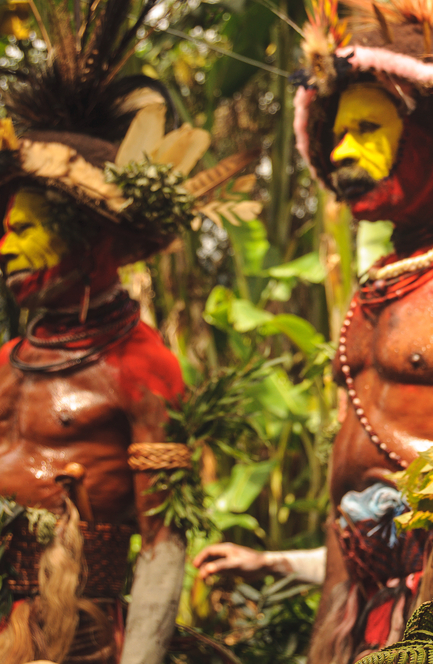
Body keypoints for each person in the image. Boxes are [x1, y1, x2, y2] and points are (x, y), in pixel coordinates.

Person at [0, 1, 241, 661]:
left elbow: (164, 542)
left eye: (22, 229)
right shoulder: (6, 360)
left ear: (89, 235)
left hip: (81, 636)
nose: (3, 246)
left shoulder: (143, 369)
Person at [287, 2, 433, 661]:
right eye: (335, 133)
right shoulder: (377, 284)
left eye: (364, 129)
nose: (339, 154)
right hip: (357, 598)